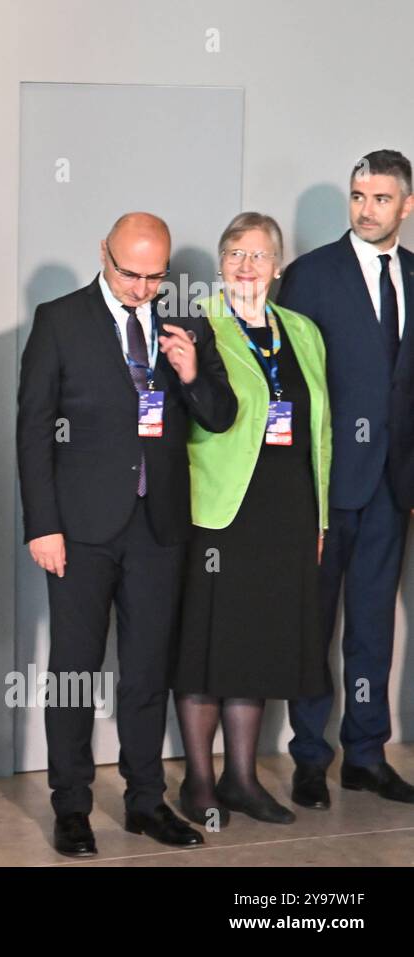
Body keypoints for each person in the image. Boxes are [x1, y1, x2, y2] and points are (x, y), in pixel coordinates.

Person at [17, 212, 237, 856]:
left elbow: (220, 418)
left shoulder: (187, 327)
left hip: (159, 528)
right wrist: (43, 525)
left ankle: (146, 802)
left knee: (146, 671)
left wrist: (193, 374)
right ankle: (72, 807)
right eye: (130, 273)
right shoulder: (59, 321)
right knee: (75, 672)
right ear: (103, 254)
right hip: (79, 530)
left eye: (155, 276)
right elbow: (33, 431)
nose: (142, 287)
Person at [173, 213, 331, 828]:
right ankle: (199, 783)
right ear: (220, 263)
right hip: (220, 511)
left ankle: (241, 777)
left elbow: (322, 429)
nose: (247, 265)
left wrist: (318, 516)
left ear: (278, 267)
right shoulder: (198, 324)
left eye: (260, 255)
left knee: (258, 644)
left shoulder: (303, 332)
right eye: (236, 253)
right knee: (208, 644)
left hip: (286, 512)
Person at [277, 149, 414, 809]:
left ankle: (365, 755)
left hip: (393, 491)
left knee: (371, 627)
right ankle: (310, 758)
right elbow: (287, 389)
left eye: (381, 198)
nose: (366, 208)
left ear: (406, 206)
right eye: (358, 195)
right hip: (325, 490)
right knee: (312, 624)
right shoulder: (308, 278)